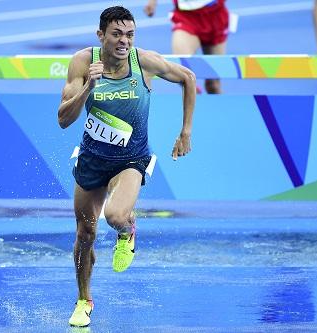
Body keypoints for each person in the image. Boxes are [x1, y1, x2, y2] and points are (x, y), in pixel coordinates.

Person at [57, 6, 196, 327]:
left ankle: (127, 230)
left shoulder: (143, 62)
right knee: (85, 232)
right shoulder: (82, 63)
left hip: (131, 159)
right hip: (92, 159)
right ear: (101, 35)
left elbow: (188, 78)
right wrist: (87, 89)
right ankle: (83, 300)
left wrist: (185, 131)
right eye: (117, 34)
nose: (124, 41)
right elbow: (63, 119)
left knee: (115, 216)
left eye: (130, 35)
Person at [144, 0, 229, 94]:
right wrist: (152, 2)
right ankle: (195, 98)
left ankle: (215, 105)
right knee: (182, 74)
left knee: (213, 85)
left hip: (215, 15)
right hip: (186, 17)